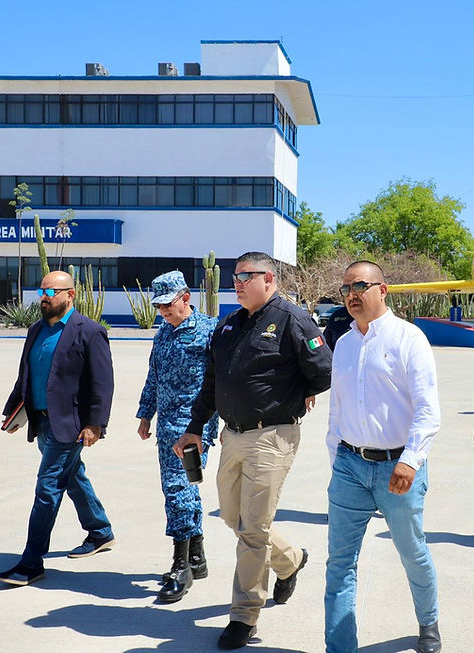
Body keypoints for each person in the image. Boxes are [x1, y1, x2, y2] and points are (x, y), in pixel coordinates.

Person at [174, 251, 332, 650]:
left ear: (270, 279)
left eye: (246, 276)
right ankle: (290, 559)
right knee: (234, 517)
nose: (237, 283)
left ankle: (244, 616)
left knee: (252, 530)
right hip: (233, 435)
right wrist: (195, 428)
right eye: (235, 276)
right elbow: (212, 381)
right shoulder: (228, 325)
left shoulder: (293, 319)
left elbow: (325, 371)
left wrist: (300, 393)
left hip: (272, 436)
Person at [325, 261, 442, 653]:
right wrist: (336, 461)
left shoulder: (409, 338)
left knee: (412, 553)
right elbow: (336, 411)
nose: (352, 294)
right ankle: (340, 648)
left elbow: (428, 409)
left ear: (383, 290)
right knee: (339, 564)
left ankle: (429, 623)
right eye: (346, 288)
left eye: (360, 285)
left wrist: (410, 460)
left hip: (398, 468)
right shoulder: (342, 343)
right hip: (349, 467)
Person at [0, 270, 115, 586]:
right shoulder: (36, 330)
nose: (45, 297)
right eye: (43, 291)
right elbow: (26, 375)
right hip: (41, 420)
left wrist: (95, 424)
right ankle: (100, 531)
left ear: (70, 294)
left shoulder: (90, 332)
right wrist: (13, 411)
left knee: (47, 487)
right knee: (73, 476)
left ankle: (32, 561)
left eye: (52, 291)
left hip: (71, 424)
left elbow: (102, 384)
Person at [136, 271, 219, 603]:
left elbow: (223, 381)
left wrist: (225, 422)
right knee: (185, 490)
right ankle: (196, 559)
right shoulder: (163, 333)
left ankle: (180, 566)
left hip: (193, 430)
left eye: (167, 305)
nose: (163, 312)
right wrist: (145, 413)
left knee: (177, 491)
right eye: (158, 307)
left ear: (186, 298)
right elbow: (153, 374)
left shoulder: (209, 331)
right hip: (166, 428)